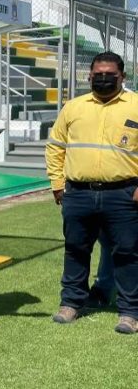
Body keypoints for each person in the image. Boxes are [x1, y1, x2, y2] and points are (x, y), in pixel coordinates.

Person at [46, 51, 138, 334]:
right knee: (76, 249)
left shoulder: (136, 105)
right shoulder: (74, 107)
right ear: (89, 76)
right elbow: (56, 146)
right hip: (78, 193)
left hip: (123, 194)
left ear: (122, 76)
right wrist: (58, 184)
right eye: (97, 75)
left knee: (127, 253)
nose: (103, 79)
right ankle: (72, 303)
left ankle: (129, 312)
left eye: (110, 75)